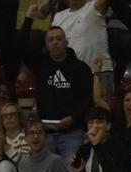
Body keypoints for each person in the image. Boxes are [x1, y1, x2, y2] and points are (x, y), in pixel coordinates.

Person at [20, 21, 95, 163]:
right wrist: (28, 19)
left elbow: (88, 100)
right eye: (51, 40)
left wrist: (73, 118)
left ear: (66, 42)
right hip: (46, 134)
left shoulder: (81, 68)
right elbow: (21, 46)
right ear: (46, 45)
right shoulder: (40, 65)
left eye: (59, 39)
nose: (55, 43)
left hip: (72, 133)